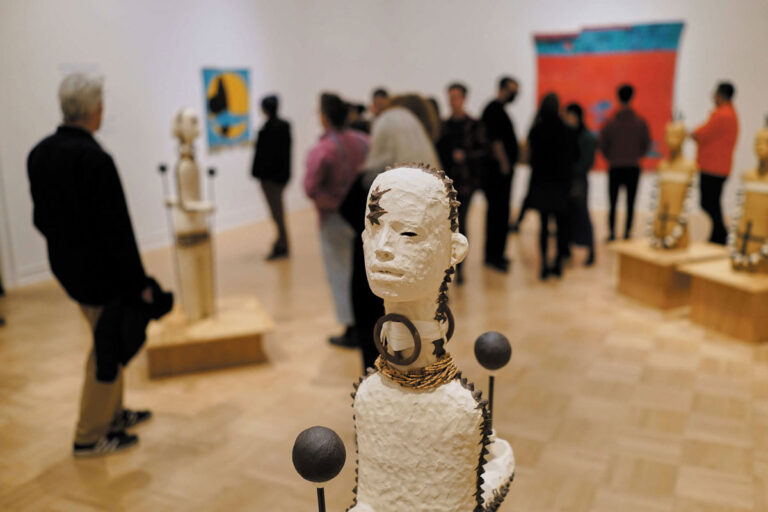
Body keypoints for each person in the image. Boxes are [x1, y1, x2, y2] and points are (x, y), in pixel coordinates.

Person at [27, 73, 173, 457]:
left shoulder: (39, 153)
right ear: (94, 110)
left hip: (69, 271)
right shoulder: (94, 158)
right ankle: (89, 435)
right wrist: (138, 281)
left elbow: (40, 220)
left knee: (105, 338)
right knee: (104, 349)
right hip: (103, 278)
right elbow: (117, 231)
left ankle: (114, 413)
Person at [339, 94, 439, 371]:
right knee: (416, 354)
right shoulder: (432, 186)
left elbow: (345, 212)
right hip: (419, 283)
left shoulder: (369, 187)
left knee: (378, 358)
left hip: (374, 282)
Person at [304, 93, 370, 349]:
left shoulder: (324, 148)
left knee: (340, 273)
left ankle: (351, 327)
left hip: (334, 219)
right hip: (363, 217)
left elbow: (310, 187)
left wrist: (330, 199)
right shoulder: (364, 141)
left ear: (324, 117)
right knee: (363, 271)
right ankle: (365, 323)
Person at [436, 82, 485, 283]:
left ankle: (461, 267)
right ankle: (447, 266)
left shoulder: (473, 125)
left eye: (456, 96)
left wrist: (466, 157)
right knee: (447, 227)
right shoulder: (444, 127)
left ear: (463, 98)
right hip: (446, 184)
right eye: (450, 96)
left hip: (466, 184)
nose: (452, 101)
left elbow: (483, 150)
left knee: (462, 225)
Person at [526, 93, 577, 280]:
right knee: (561, 226)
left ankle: (544, 266)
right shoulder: (567, 130)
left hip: (542, 183)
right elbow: (573, 158)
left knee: (544, 226)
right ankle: (557, 264)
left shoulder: (536, 130)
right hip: (560, 184)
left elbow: (532, 159)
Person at [599, 84, 650, 241]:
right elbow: (645, 145)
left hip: (615, 167)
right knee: (630, 203)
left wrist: (612, 157)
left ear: (618, 97)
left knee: (613, 203)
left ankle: (612, 233)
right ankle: (627, 233)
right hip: (633, 167)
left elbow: (602, 145)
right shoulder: (640, 123)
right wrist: (635, 156)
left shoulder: (610, 123)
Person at [691, 82, 739, 245]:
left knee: (709, 202)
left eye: (715, 93)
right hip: (719, 167)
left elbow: (703, 133)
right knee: (712, 202)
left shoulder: (722, 115)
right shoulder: (729, 114)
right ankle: (718, 234)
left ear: (720, 94)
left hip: (713, 167)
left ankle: (721, 234)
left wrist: (693, 133)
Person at [481, 76, 519, 272]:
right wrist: (504, 164)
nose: (515, 95)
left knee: (500, 213)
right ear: (503, 89)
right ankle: (494, 256)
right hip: (497, 175)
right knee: (498, 213)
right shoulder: (494, 110)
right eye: (513, 90)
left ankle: (497, 254)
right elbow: (496, 141)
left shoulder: (498, 110)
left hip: (501, 173)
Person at [251, 95, 292, 260]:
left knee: (277, 213)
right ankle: (281, 242)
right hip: (279, 178)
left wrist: (259, 174)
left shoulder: (267, 130)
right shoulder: (284, 127)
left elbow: (263, 157)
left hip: (271, 180)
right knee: (277, 212)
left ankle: (282, 244)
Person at [565, 102, 597, 265]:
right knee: (568, 216)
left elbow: (586, 162)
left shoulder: (587, 137)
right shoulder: (568, 134)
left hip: (578, 181)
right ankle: (567, 249)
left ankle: (590, 249)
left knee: (581, 215)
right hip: (569, 180)